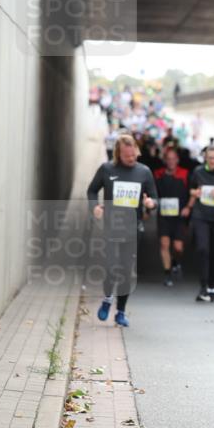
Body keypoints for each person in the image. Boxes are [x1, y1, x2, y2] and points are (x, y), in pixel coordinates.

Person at [86, 133, 158, 327]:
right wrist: (95, 207)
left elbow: (154, 197)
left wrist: (151, 203)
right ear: (118, 153)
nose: (131, 158)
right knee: (110, 268)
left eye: (134, 155)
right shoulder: (107, 169)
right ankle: (108, 298)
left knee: (126, 271)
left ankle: (120, 311)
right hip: (112, 226)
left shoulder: (144, 172)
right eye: (127, 156)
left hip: (133, 229)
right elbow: (92, 190)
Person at [188, 145, 214, 302]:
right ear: (205, 157)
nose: (212, 161)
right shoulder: (198, 171)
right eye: (209, 158)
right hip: (201, 215)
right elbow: (191, 190)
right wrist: (196, 193)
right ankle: (203, 286)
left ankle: (212, 285)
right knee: (202, 249)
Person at [153, 147, 190, 286]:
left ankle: (175, 261)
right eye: (168, 159)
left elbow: (192, 192)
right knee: (164, 244)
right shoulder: (158, 174)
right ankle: (167, 274)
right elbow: (152, 191)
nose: (171, 161)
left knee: (178, 247)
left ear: (177, 160)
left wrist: (188, 207)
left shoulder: (185, 174)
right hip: (163, 215)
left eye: (173, 159)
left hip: (180, 216)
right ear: (165, 160)